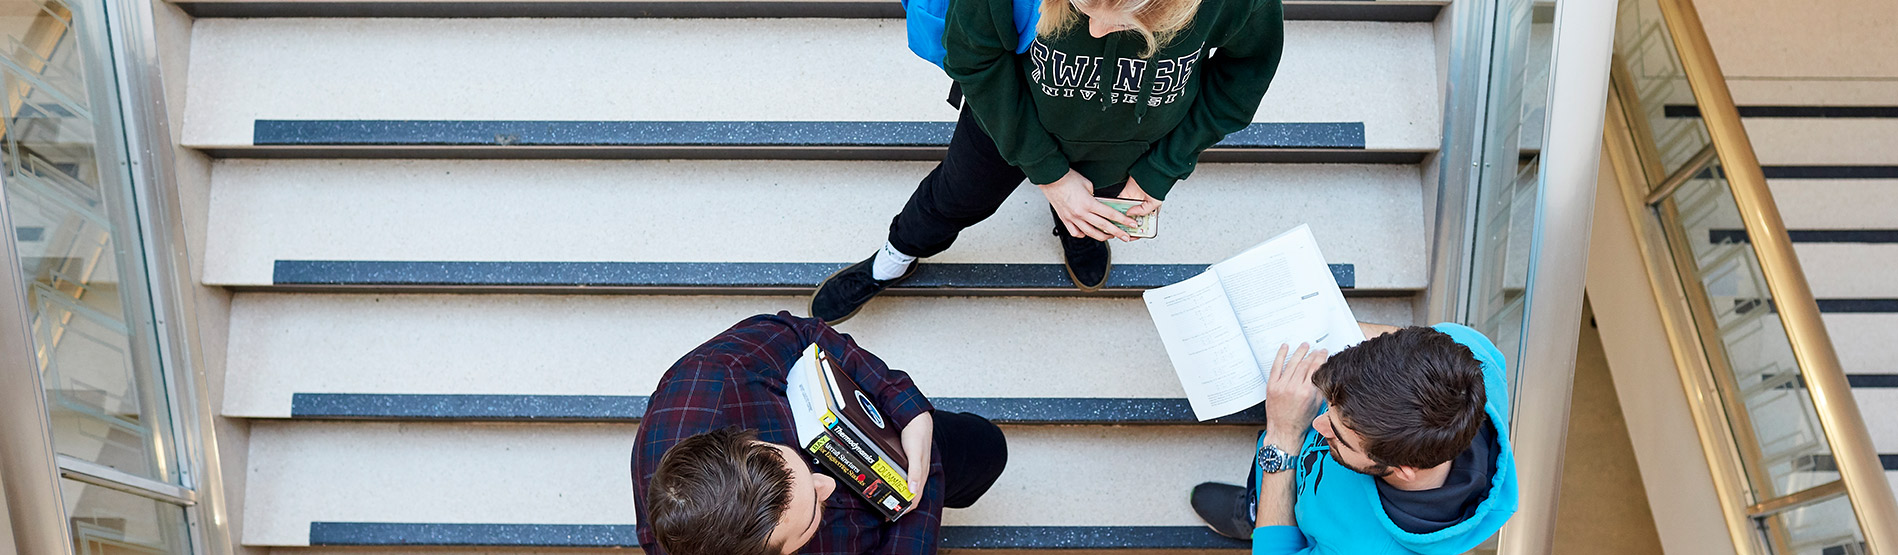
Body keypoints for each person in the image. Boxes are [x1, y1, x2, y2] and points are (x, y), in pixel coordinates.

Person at [808, 0, 1286, 323]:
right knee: (952, 198)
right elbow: (974, 57)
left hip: (1129, 142)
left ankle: (1076, 235)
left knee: (1094, 210)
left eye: (1126, 15)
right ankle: (893, 258)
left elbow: (1246, 69)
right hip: (1007, 120)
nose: (1096, 29)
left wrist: (1161, 170)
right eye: (1081, 4)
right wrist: (1051, 175)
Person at [630, 312, 1008, 555]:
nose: (826, 483)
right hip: (907, 519)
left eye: (783, 455)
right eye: (811, 513)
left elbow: (803, 333)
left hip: (899, 437)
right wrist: (919, 507)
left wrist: (908, 409)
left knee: (987, 449)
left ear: (741, 440)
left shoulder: (717, 376)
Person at [1189, 323, 1520, 554]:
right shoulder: (1465, 352)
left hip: (1286, 457)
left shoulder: (1367, 548)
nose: (1316, 424)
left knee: (1272, 514)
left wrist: (1284, 436)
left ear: (1404, 469)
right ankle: (1257, 500)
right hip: (1308, 477)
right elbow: (1395, 342)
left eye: (1339, 437)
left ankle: (1254, 516)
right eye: (1329, 410)